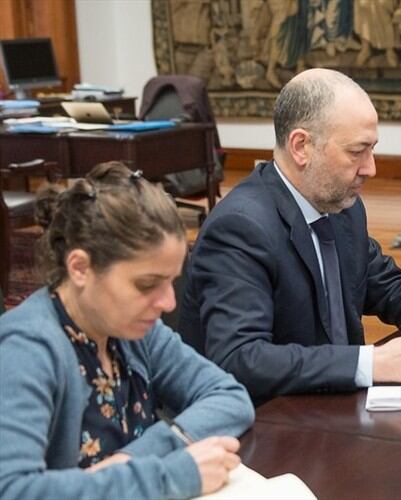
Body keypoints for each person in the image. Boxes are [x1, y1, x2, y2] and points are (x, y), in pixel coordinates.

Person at [178, 68, 401, 402]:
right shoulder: (240, 228)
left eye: (372, 149)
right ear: (301, 146)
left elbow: (387, 286)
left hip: (329, 406)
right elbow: (241, 359)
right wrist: (374, 362)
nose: (371, 168)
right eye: (357, 151)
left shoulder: (342, 206)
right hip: (265, 423)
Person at [0, 162, 254, 499]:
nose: (167, 303)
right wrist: (170, 475)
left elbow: (231, 398)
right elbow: (14, 490)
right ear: (80, 267)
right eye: (147, 284)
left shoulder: (131, 329)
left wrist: (130, 459)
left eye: (171, 282)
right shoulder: (26, 350)